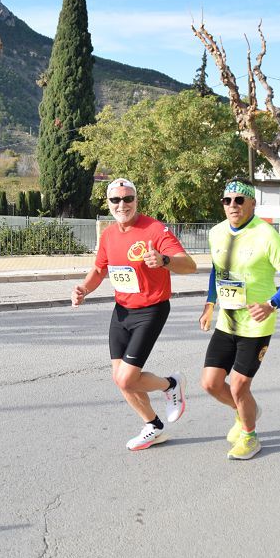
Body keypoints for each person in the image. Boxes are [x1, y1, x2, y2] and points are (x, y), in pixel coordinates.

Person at [72, 178, 197, 450]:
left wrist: (165, 261)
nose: (122, 204)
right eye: (115, 200)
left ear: (136, 200)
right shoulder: (108, 235)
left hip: (151, 310)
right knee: (120, 379)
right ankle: (153, 425)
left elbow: (189, 265)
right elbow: (98, 271)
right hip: (122, 312)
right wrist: (84, 288)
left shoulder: (154, 229)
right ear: (108, 203)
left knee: (127, 378)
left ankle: (171, 384)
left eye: (128, 198)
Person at [198, 177, 280, 460]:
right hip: (226, 320)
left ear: (252, 203)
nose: (233, 205)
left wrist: (272, 304)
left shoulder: (266, 234)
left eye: (239, 200)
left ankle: (250, 436)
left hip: (256, 325)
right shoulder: (217, 232)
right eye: (227, 200)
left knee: (241, 386)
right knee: (210, 383)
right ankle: (245, 410)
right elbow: (216, 271)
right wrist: (210, 303)